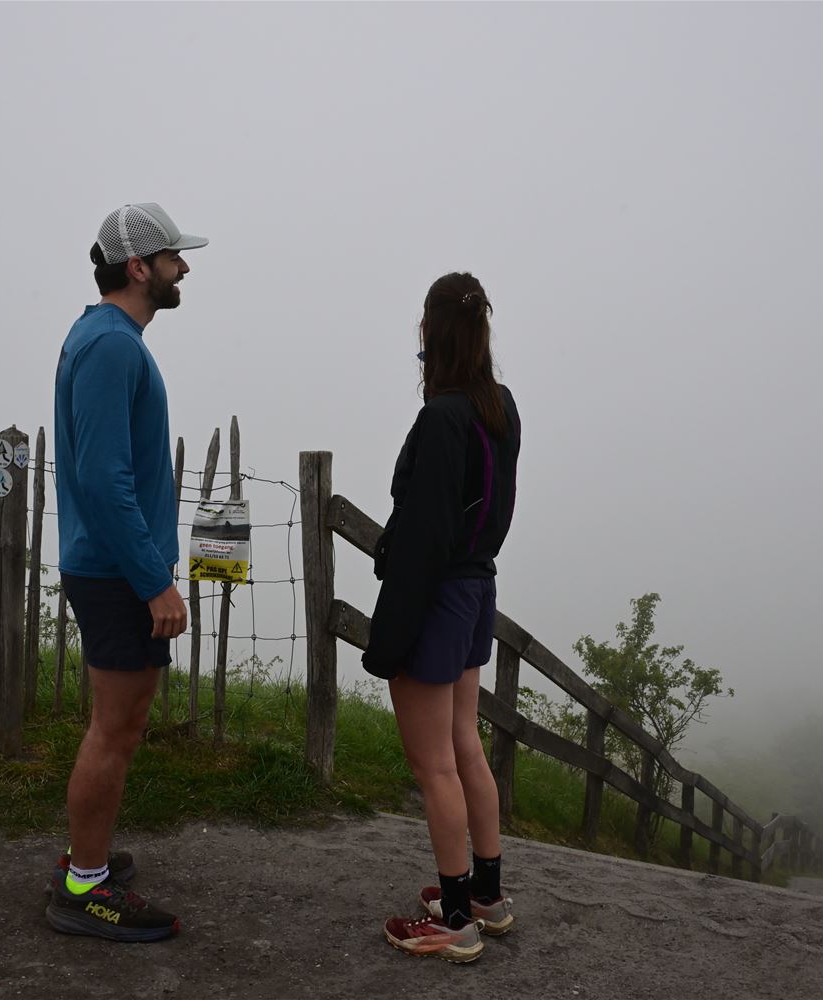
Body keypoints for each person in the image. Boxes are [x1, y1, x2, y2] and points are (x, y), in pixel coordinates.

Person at [43, 202, 206, 942]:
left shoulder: (105, 337)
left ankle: (89, 859)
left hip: (111, 565)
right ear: (139, 267)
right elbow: (104, 479)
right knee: (115, 729)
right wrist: (153, 580)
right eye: (172, 257)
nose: (183, 267)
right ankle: (84, 887)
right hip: (116, 572)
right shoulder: (112, 346)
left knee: (119, 725)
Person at [363, 272, 522, 963]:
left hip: (438, 596)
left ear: (431, 334)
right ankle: (485, 894)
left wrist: (388, 641)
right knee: (465, 746)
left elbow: (422, 543)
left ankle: (456, 921)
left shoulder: (442, 418)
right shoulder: (500, 408)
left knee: (435, 766)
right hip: (477, 588)